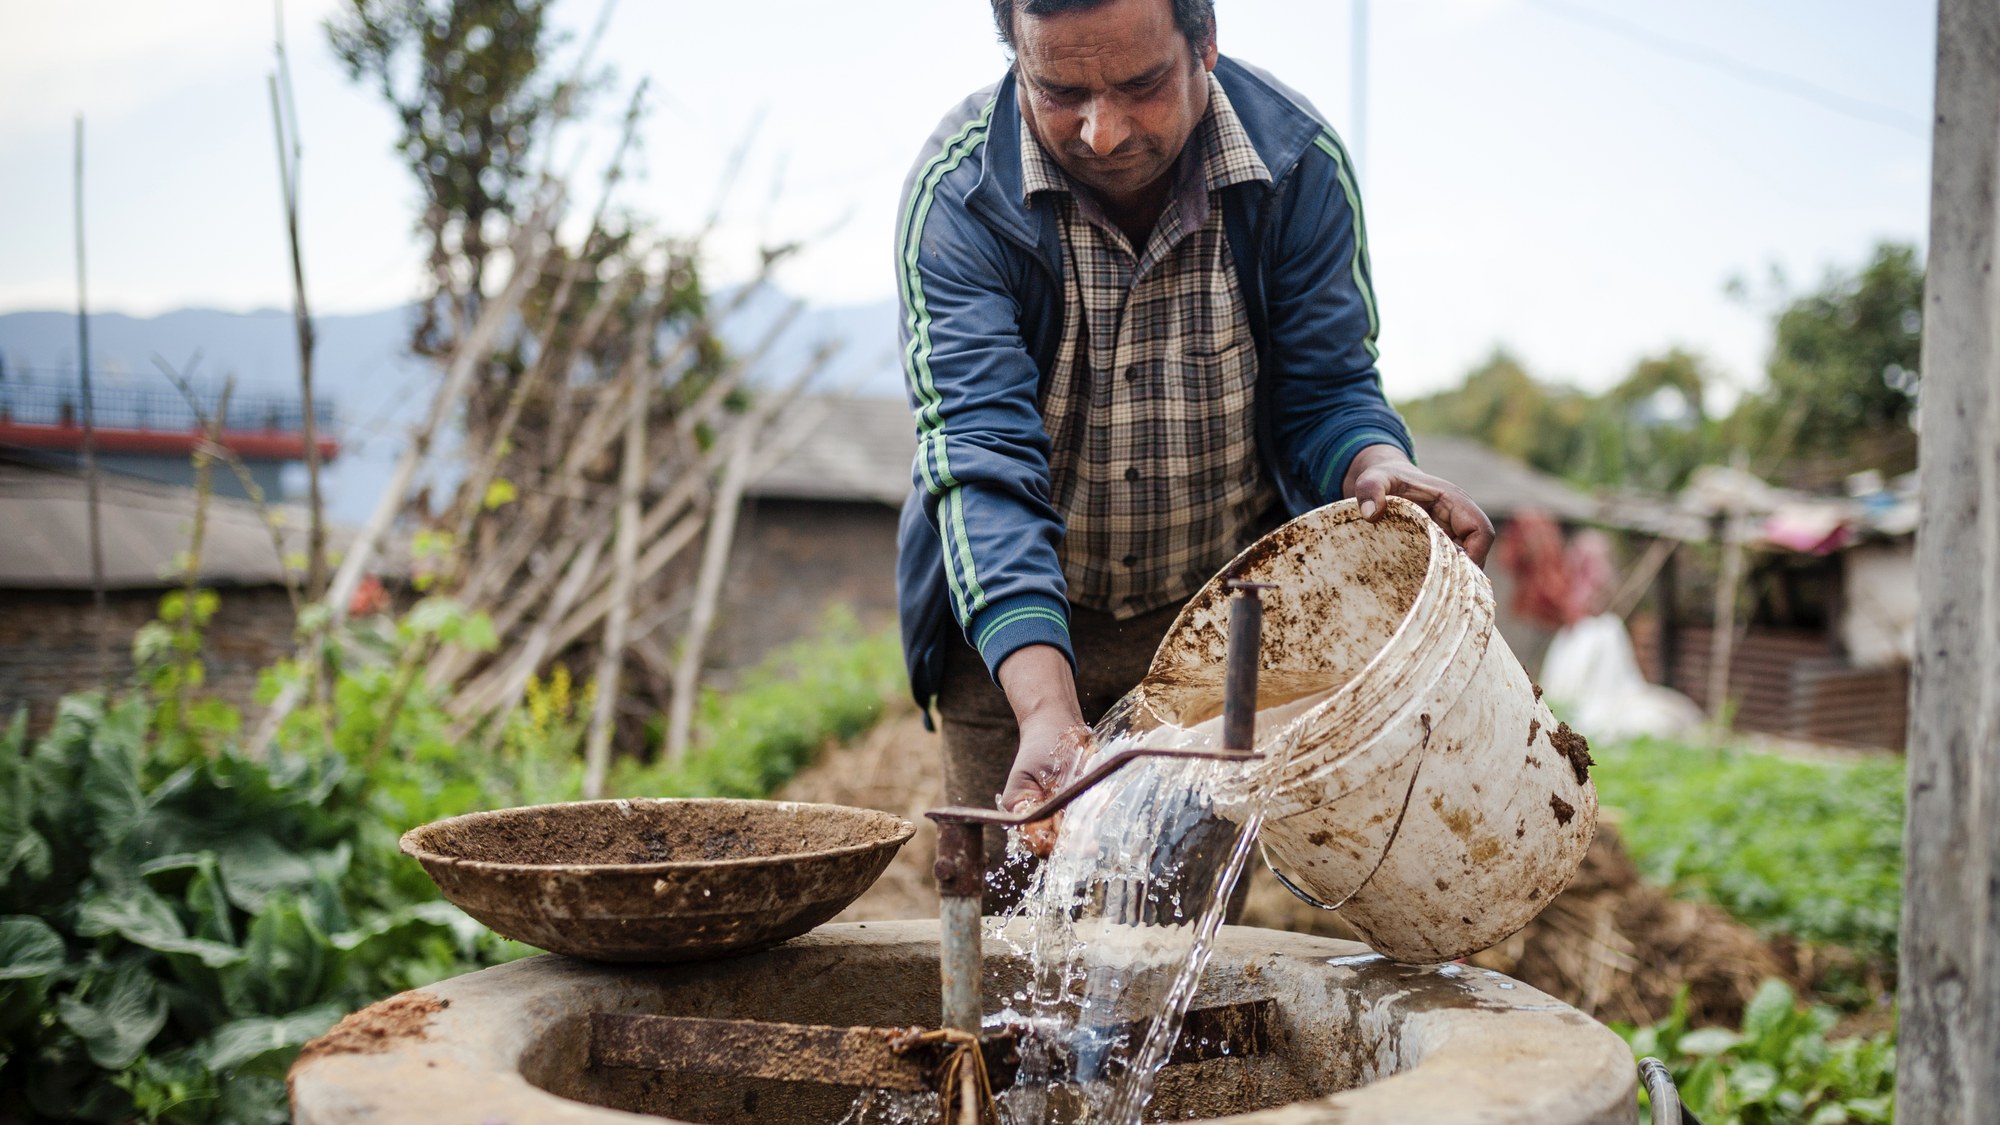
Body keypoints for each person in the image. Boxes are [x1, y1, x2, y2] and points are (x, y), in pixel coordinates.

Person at [894, 0, 1494, 908]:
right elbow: (980, 460)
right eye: (1060, 91)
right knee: (1011, 942)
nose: (1102, 132)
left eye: (1140, 86)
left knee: (1176, 955)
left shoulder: (1295, 170)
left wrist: (1372, 461)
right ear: (1015, 56)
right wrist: (1046, 709)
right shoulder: (961, 196)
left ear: (1203, 42)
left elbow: (1326, 391)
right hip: (1009, 639)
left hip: (1218, 638)